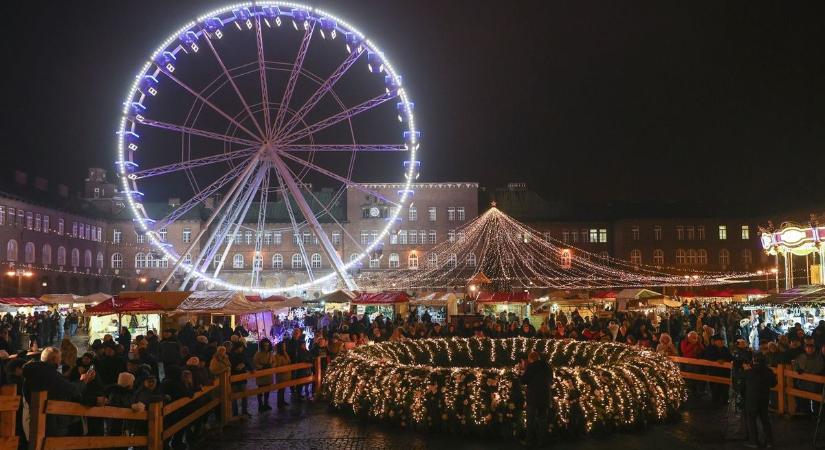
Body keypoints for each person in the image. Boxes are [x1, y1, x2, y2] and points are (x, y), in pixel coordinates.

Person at [22, 347, 96, 437]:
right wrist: (84, 381)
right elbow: (71, 389)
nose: (61, 360)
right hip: (51, 423)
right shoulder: (49, 374)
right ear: (54, 359)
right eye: (60, 357)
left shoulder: (33, 373)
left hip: (33, 419)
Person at [519, 351, 553, 447]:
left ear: (530, 359)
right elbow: (551, 380)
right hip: (545, 397)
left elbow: (524, 380)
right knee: (543, 420)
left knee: (530, 420)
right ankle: (542, 441)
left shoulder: (531, 366)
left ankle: (529, 441)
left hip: (533, 398)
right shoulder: (547, 366)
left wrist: (521, 373)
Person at [743, 353, 776, 448]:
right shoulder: (769, 371)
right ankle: (769, 441)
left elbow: (741, 381)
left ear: (754, 360)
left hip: (752, 399)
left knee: (751, 420)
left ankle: (754, 441)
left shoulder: (749, 371)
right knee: (765, 419)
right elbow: (773, 384)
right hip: (764, 398)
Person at [253, 338, 276, 412]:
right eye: (265, 345)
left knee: (267, 390)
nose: (266, 347)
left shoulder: (270, 354)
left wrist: (271, 366)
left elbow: (274, 361)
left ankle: (266, 404)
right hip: (261, 374)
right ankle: (260, 405)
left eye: (267, 345)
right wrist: (262, 367)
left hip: (268, 374)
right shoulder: (258, 354)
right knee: (260, 390)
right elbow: (255, 363)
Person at [274, 342, 292, 408]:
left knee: (283, 389)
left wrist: (285, 354)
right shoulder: (277, 355)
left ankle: (282, 401)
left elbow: (289, 361)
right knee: (280, 389)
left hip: (286, 373)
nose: (285, 347)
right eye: (283, 346)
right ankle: (279, 402)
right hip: (281, 375)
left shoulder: (285, 354)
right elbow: (278, 364)